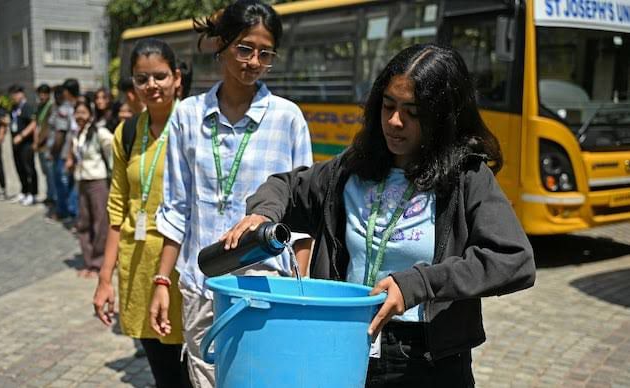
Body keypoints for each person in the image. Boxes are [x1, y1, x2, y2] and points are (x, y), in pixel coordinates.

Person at [223, 44, 536, 387]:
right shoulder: (352, 168)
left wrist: (419, 283)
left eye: (412, 113)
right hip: (342, 347)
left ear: (442, 116)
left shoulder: (466, 177)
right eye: (388, 106)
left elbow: (514, 259)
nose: (394, 122)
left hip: (426, 360)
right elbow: (284, 187)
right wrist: (263, 214)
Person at [149, 2, 314, 386]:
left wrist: (300, 286)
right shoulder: (187, 116)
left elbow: (304, 216)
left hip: (269, 287)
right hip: (203, 286)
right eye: (244, 48)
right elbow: (175, 208)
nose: (253, 61)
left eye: (265, 52)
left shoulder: (288, 118)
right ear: (222, 46)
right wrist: (161, 281)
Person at [93, 38, 191, 388]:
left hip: (183, 269)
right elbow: (117, 206)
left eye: (160, 76)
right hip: (138, 265)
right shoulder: (128, 130)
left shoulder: (193, 124)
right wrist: (105, 278)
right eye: (141, 78)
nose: (152, 86)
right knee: (163, 371)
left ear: (177, 78)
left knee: (192, 371)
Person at [67, 101, 112, 278]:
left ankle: (98, 262)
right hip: (82, 180)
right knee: (83, 222)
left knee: (101, 223)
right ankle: (88, 260)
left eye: (83, 112)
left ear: (91, 114)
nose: (80, 116)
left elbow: (113, 151)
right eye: (77, 112)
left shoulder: (100, 133)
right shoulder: (77, 134)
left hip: (98, 181)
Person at [51, 79, 79, 221]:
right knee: (74, 184)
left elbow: (59, 135)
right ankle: (73, 212)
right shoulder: (82, 106)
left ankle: (64, 211)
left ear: (66, 92)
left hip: (64, 153)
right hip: (78, 151)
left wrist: (53, 152)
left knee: (62, 184)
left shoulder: (63, 109)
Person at [8, 84, 38, 206]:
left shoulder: (27, 107)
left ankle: (32, 193)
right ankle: (24, 191)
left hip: (26, 143)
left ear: (22, 94)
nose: (14, 97)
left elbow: (33, 124)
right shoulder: (14, 108)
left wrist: (21, 136)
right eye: (12, 95)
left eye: (16, 94)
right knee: (19, 167)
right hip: (15, 143)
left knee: (29, 169)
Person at [34, 84, 56, 207]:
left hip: (47, 145)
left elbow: (48, 128)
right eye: (40, 94)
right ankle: (49, 194)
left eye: (44, 93)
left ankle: (53, 197)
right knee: (45, 172)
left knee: (50, 172)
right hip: (41, 146)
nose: (42, 96)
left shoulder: (51, 107)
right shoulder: (40, 107)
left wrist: (38, 141)